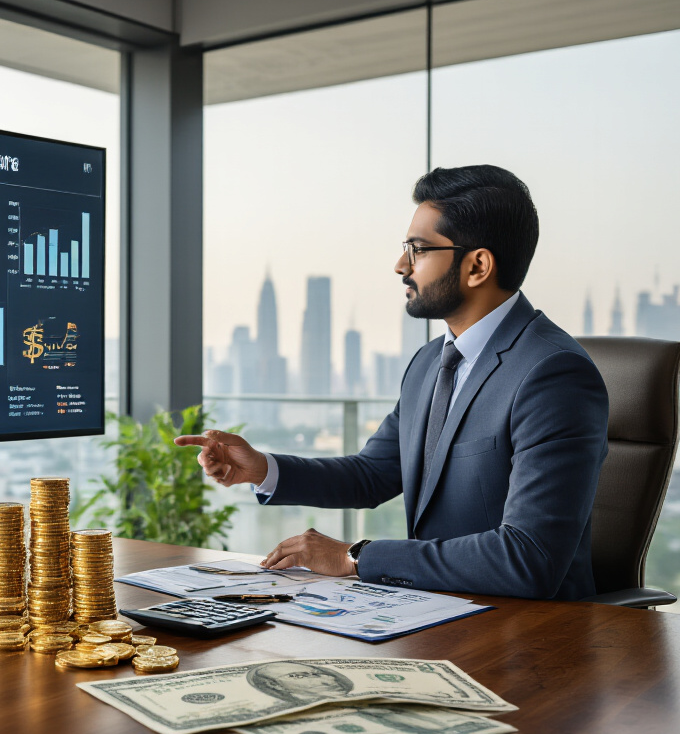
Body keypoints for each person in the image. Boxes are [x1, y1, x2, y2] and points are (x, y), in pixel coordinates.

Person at [176, 165, 608, 600]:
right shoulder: (429, 363)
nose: (401, 265)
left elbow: (528, 558)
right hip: (434, 609)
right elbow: (373, 474)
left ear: (478, 265)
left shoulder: (553, 374)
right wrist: (263, 469)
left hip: (529, 635)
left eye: (418, 250)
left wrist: (356, 556)